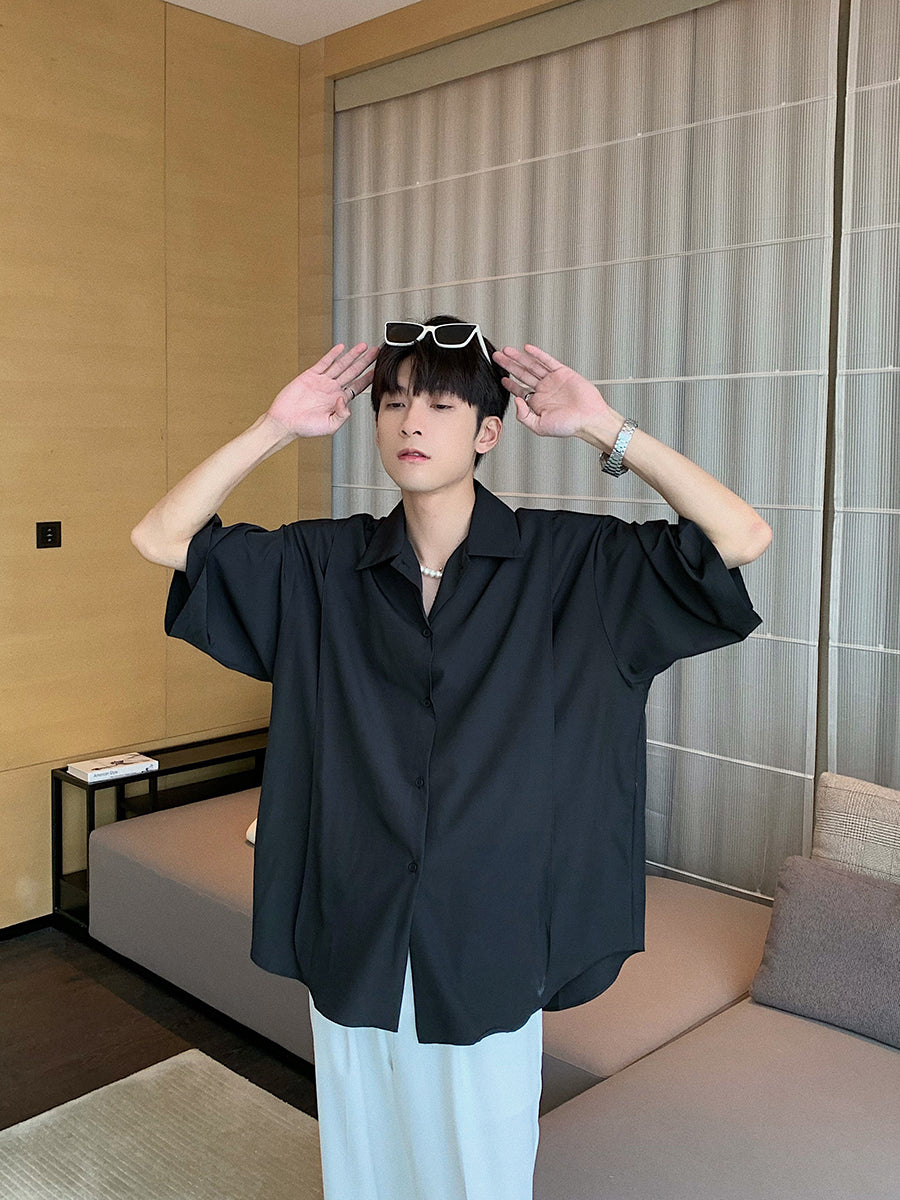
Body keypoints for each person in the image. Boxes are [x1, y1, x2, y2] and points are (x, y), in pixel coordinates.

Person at [131, 315, 771, 1200]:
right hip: (355, 917)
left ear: (488, 433)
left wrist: (602, 426)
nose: (410, 422)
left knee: (479, 1171)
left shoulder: (573, 565)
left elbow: (740, 537)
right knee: (362, 1166)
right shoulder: (324, 565)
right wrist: (275, 426)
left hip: (491, 934)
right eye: (393, 402)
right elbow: (162, 539)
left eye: (439, 404)